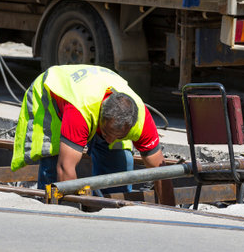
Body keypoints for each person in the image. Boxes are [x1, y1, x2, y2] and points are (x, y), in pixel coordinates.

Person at [11, 64, 173, 201]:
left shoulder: (142, 120)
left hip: (96, 96)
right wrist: (73, 211)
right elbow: (64, 169)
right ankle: (50, 212)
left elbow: (161, 172)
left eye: (117, 136)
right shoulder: (80, 111)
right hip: (51, 94)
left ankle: (109, 211)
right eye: (107, 133)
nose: (110, 140)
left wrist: (169, 214)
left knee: (117, 164)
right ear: (100, 116)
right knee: (54, 166)